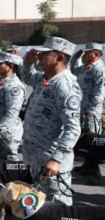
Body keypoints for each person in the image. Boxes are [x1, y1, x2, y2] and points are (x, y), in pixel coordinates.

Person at [21, 36, 82, 206]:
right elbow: (26, 77)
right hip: (37, 158)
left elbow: (73, 128)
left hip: (51, 161)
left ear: (59, 58)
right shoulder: (45, 78)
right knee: (40, 204)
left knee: (58, 207)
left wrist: (56, 159)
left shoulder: (65, 86)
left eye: (44, 55)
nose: (39, 58)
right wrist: (27, 62)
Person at [0, 53, 25, 161]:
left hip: (7, 135)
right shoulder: (0, 83)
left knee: (8, 169)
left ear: (11, 66)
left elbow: (12, 113)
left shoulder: (14, 86)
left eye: (0, 64)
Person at [70, 43, 105, 134]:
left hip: (90, 113)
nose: (84, 55)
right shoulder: (85, 67)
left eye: (87, 53)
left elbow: (100, 92)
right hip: (81, 109)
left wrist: (91, 110)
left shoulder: (99, 69)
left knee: (91, 138)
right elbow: (74, 70)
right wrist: (76, 58)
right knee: (80, 138)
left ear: (96, 55)